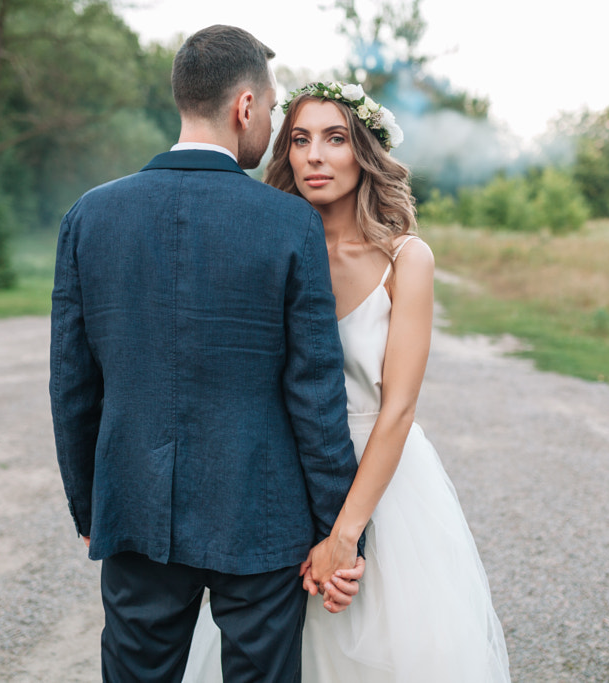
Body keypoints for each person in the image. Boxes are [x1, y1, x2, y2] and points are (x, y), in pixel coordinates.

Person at [49, 27, 364, 683]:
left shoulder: (88, 216)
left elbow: (73, 387)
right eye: (275, 109)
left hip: (132, 509)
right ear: (245, 105)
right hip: (263, 516)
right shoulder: (290, 222)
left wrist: (90, 506)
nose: (273, 124)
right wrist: (339, 527)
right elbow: (315, 394)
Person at [183, 82, 511, 681]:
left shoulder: (405, 258)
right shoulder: (265, 246)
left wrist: (344, 536)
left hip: (381, 486)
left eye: (335, 139)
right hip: (280, 481)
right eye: (301, 139)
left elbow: (399, 409)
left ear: (365, 152)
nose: (315, 156)